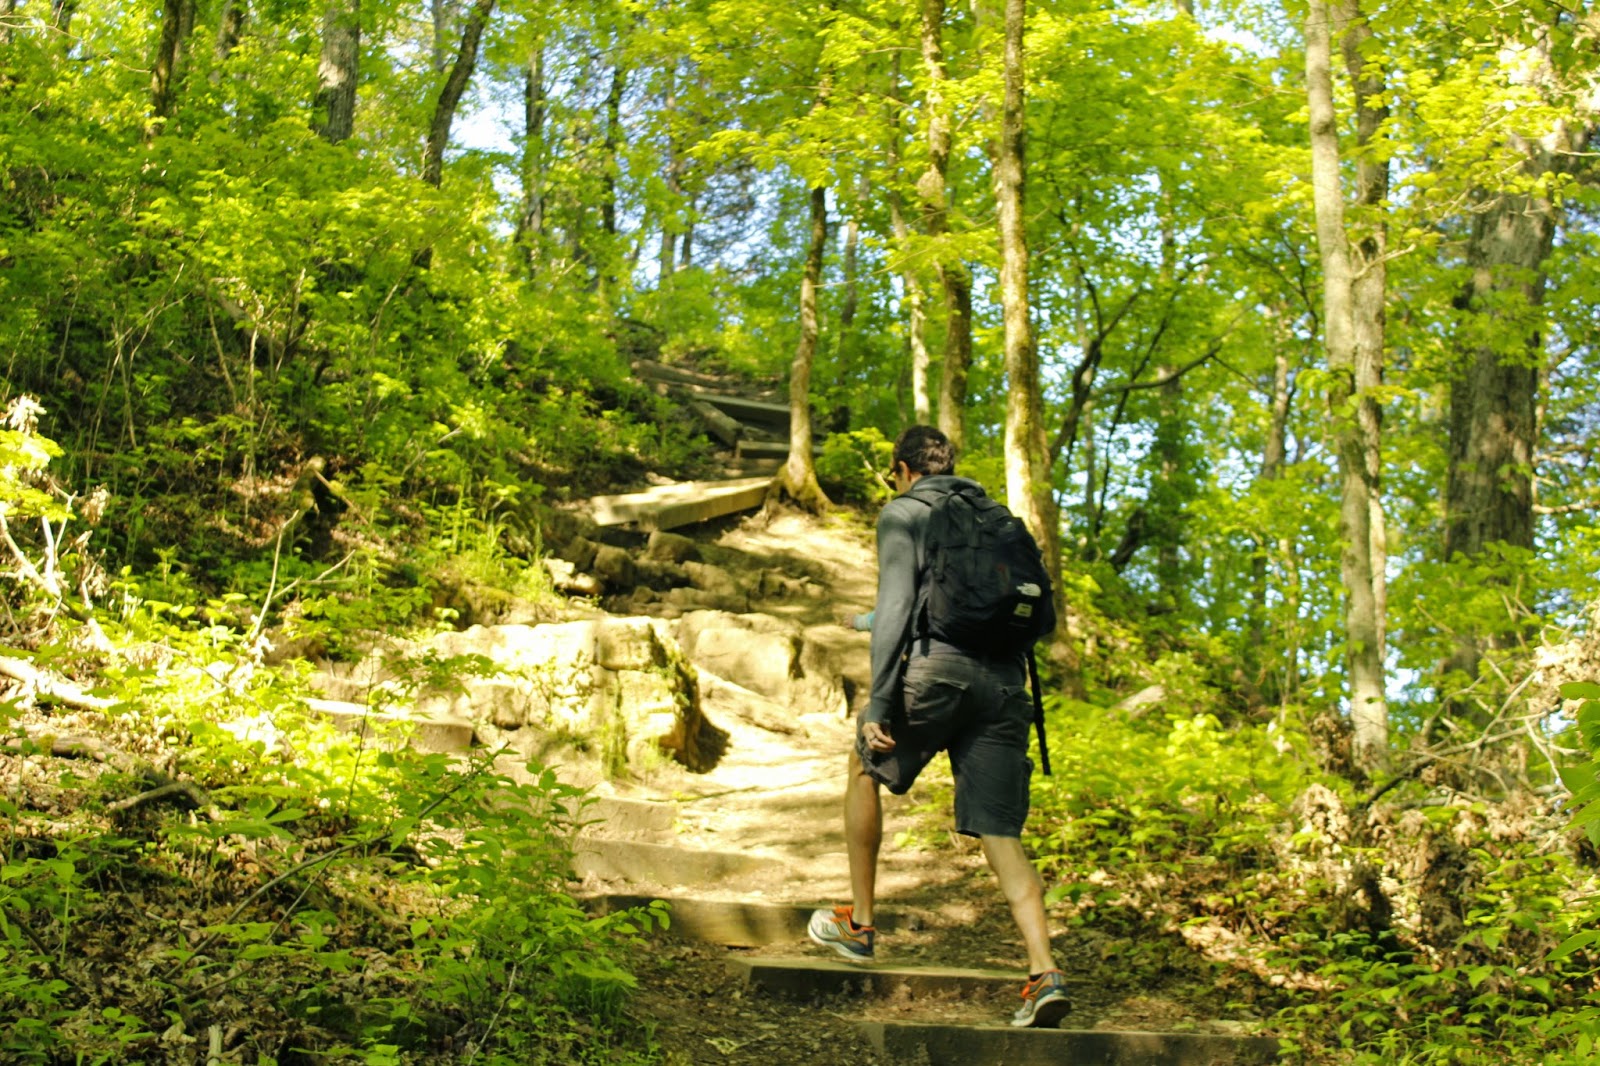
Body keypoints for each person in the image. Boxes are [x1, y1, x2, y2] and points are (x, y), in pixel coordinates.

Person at [807, 425, 1070, 1029]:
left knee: (862, 766)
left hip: (935, 676)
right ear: (950, 465)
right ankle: (1043, 971)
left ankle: (861, 925)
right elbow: (1018, 613)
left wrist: (878, 703)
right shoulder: (999, 518)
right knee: (1001, 831)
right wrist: (872, 618)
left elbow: (902, 606)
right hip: (1005, 687)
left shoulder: (904, 512)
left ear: (901, 469)